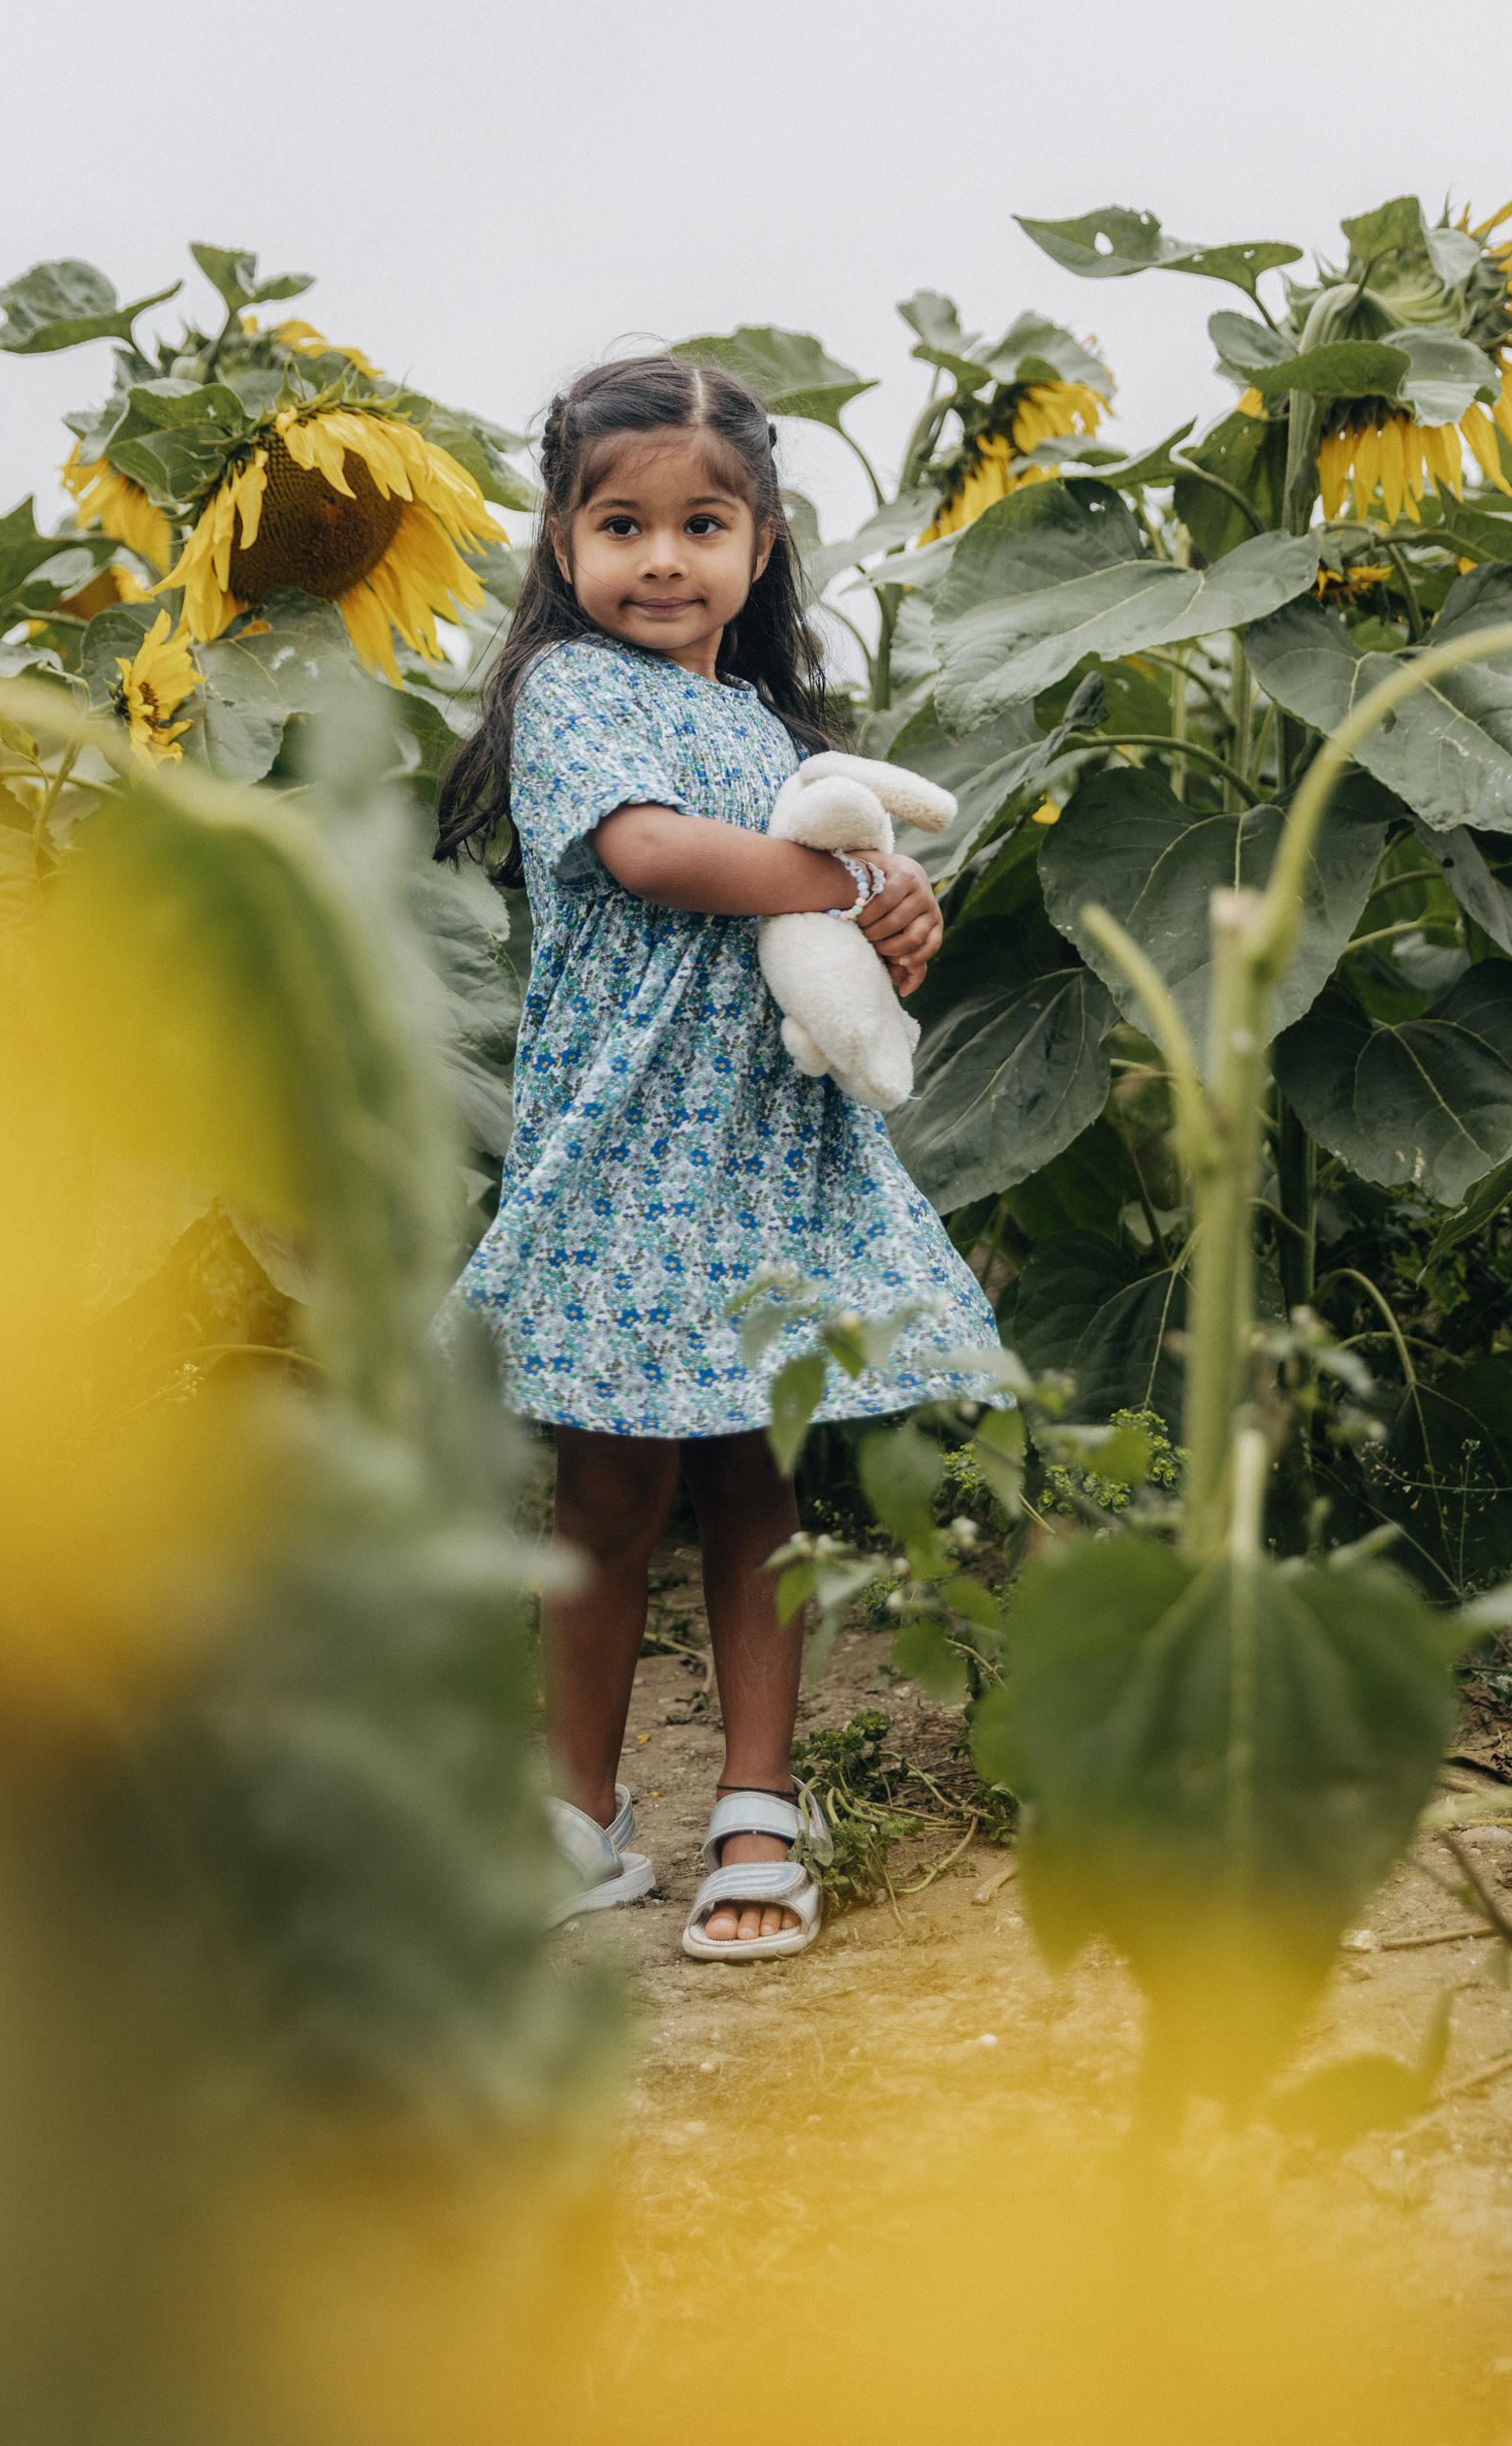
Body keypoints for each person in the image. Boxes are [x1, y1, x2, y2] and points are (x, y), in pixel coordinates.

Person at [437, 355, 1002, 1961]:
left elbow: (839, 901)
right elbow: (656, 853)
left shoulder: (766, 726)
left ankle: (758, 1799)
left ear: (760, 548)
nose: (663, 559)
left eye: (703, 524)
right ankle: (582, 1815)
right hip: (628, 1151)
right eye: (624, 524)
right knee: (607, 1495)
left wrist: (898, 910)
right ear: (563, 542)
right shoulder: (572, 697)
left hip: (761, 1147)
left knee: (762, 1478)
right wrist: (836, 883)